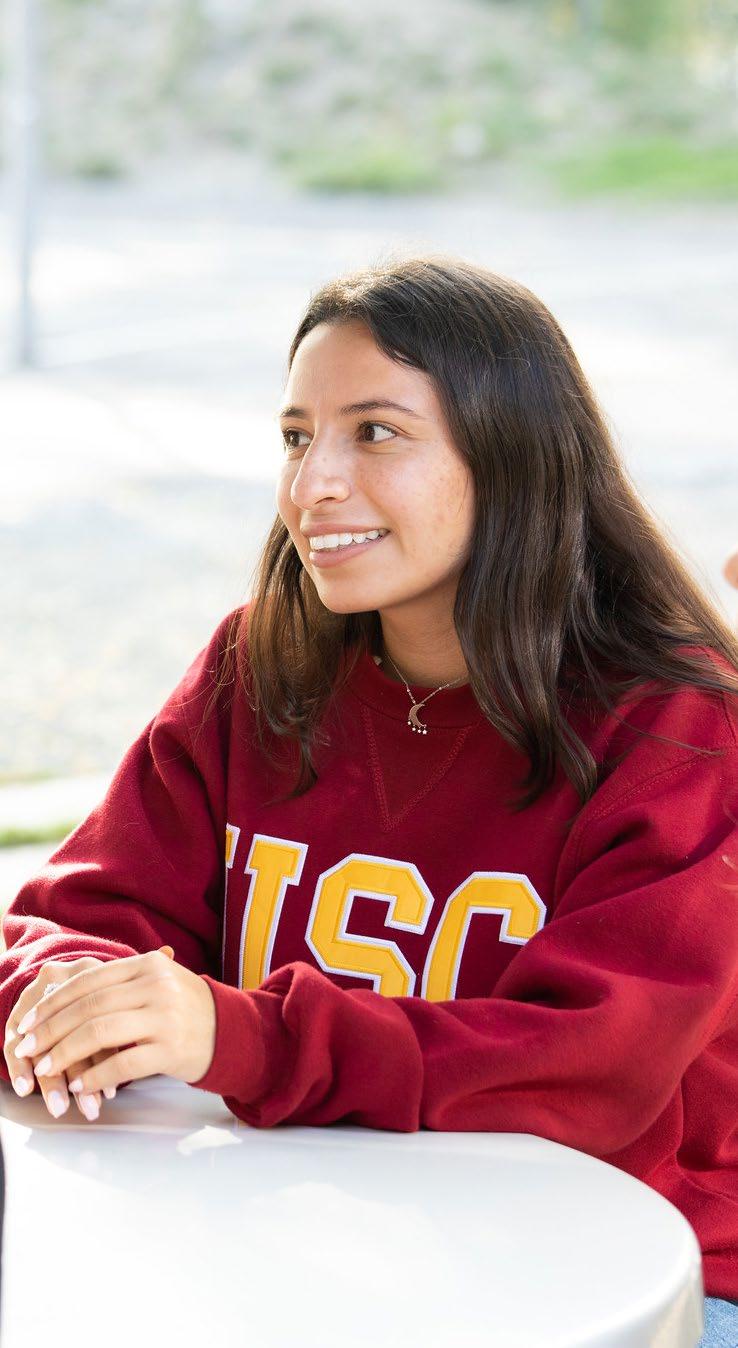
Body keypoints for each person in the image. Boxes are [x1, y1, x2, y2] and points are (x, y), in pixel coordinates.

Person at [1, 255, 737, 1343]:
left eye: (376, 433)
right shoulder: (261, 665)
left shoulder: (673, 719)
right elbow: (66, 922)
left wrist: (238, 1035)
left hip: (629, 1276)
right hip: (303, 1239)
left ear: (513, 456)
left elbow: (590, 1072)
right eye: (296, 437)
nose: (313, 485)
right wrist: (68, 1002)